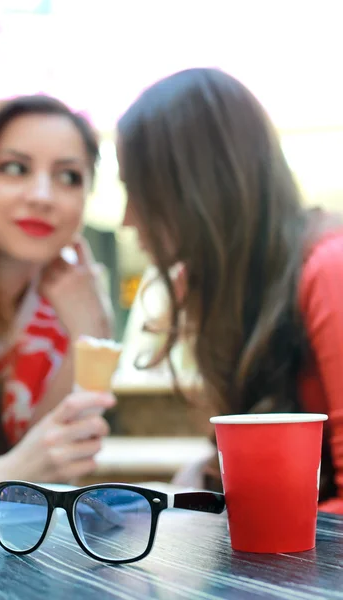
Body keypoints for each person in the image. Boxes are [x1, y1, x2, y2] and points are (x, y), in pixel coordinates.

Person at [116, 68, 343, 514]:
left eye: (137, 191)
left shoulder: (329, 268)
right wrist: (208, 472)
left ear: (194, 188)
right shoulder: (229, 288)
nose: (127, 219)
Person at [0, 94, 115, 485]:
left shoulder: (70, 313)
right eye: (14, 168)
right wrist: (11, 473)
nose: (42, 195)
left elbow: (49, 487)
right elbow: (28, 475)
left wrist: (90, 332)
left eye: (68, 176)